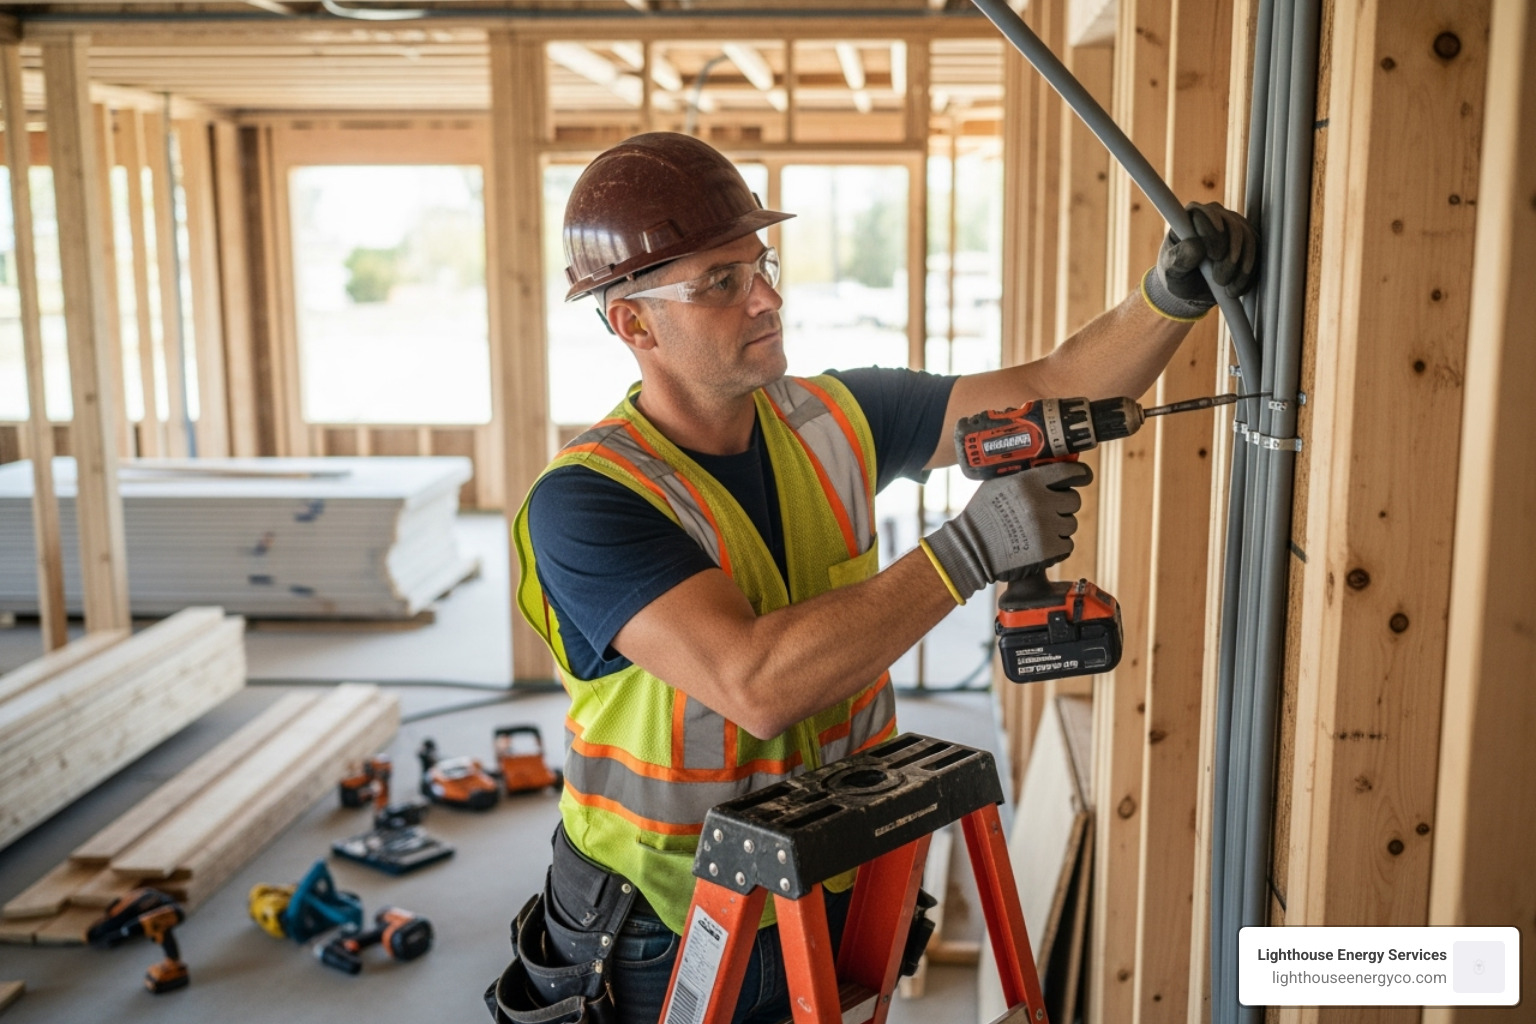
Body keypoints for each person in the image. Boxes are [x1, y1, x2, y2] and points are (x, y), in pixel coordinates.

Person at [486, 132, 1257, 1024]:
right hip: (668, 912)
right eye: (722, 283)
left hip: (833, 862)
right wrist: (969, 550)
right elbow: (756, 683)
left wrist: (1169, 297)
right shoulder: (587, 501)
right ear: (634, 323)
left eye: (761, 265)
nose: (768, 299)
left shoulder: (838, 416)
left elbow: (1050, 387)